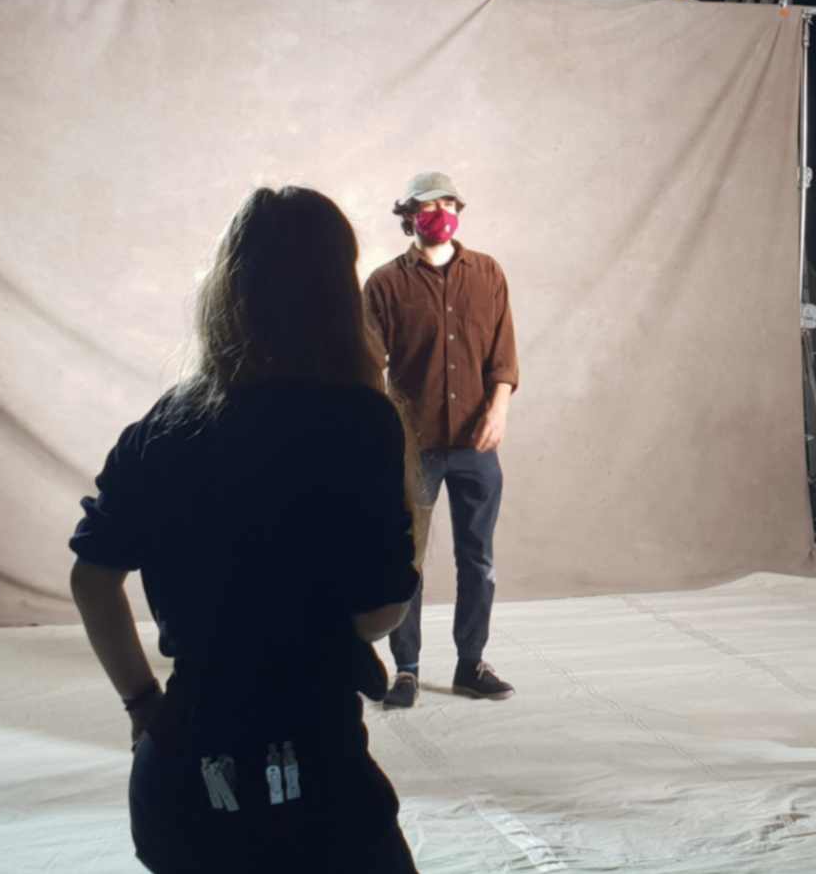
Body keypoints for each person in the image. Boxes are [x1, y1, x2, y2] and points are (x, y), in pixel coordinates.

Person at [68, 187, 420, 874]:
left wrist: (142, 700)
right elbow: (384, 607)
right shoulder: (360, 422)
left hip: (184, 783)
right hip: (316, 780)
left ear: (230, 286)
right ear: (339, 291)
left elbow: (92, 577)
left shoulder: (166, 423)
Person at [366, 170, 519, 706]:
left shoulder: (488, 273)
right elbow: (368, 367)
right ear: (408, 216)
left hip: (477, 445)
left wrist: (497, 412)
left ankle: (470, 663)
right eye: (430, 205)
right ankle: (405, 668)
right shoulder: (385, 285)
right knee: (406, 559)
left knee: (478, 558)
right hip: (413, 448)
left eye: (450, 202)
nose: (442, 211)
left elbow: (504, 357)